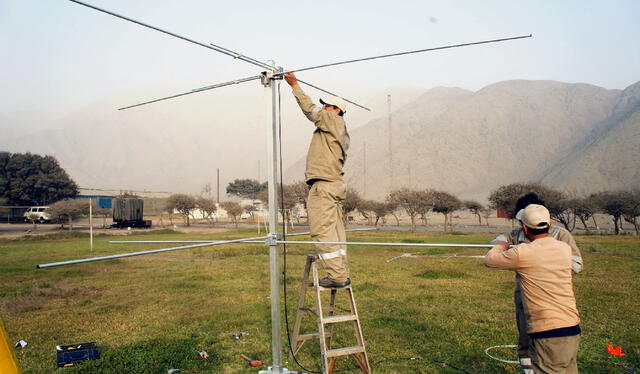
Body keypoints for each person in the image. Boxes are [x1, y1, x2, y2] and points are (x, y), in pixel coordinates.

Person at [492, 193, 583, 374]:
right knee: (526, 341)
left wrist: (542, 260)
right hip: (527, 300)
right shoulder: (518, 234)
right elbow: (499, 240)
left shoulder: (561, 237)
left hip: (551, 309)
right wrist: (502, 243)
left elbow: (577, 264)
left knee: (549, 354)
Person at [284, 72, 351, 288]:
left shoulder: (332, 120)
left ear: (337, 110)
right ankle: (341, 272)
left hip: (323, 186)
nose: (323, 108)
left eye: (327, 106)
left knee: (322, 230)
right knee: (335, 232)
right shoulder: (340, 130)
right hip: (334, 185)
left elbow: (309, 109)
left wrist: (294, 85)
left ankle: (336, 276)